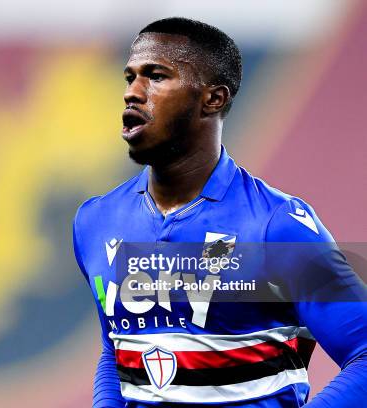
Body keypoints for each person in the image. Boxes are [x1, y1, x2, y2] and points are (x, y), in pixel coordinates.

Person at [72, 17, 367, 407]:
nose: (134, 92)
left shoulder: (276, 226)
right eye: (130, 78)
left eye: (156, 76)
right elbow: (118, 348)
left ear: (213, 99)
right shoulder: (95, 221)